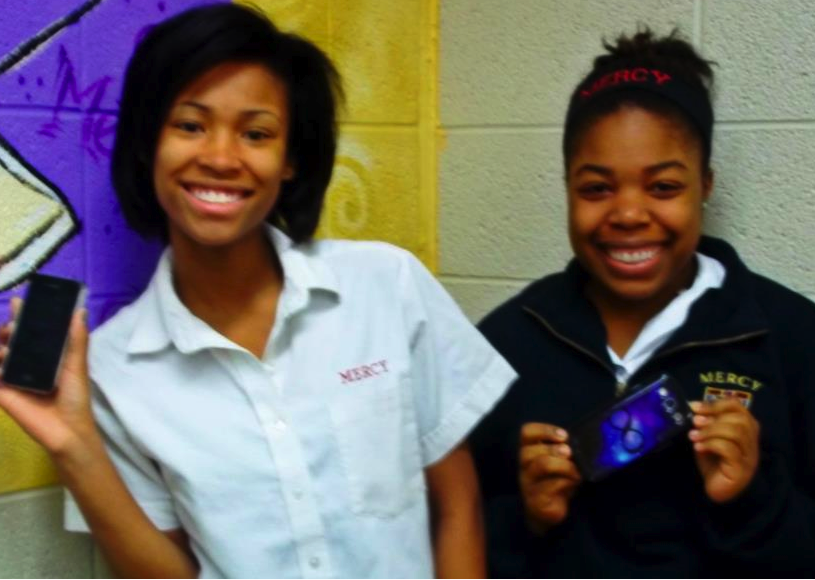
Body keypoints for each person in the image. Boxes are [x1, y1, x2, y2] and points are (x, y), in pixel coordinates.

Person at [0, 5, 516, 578]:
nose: (220, 158)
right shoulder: (115, 370)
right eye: (190, 125)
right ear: (149, 144)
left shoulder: (385, 284)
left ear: (291, 158)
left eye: (256, 133)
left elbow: (459, 505)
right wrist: (73, 445)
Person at [470, 29, 815, 578]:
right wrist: (528, 519)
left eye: (662, 188)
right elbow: (451, 536)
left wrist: (754, 500)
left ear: (705, 184)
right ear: (567, 187)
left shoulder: (795, 339)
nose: (629, 214)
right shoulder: (505, 343)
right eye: (596, 189)